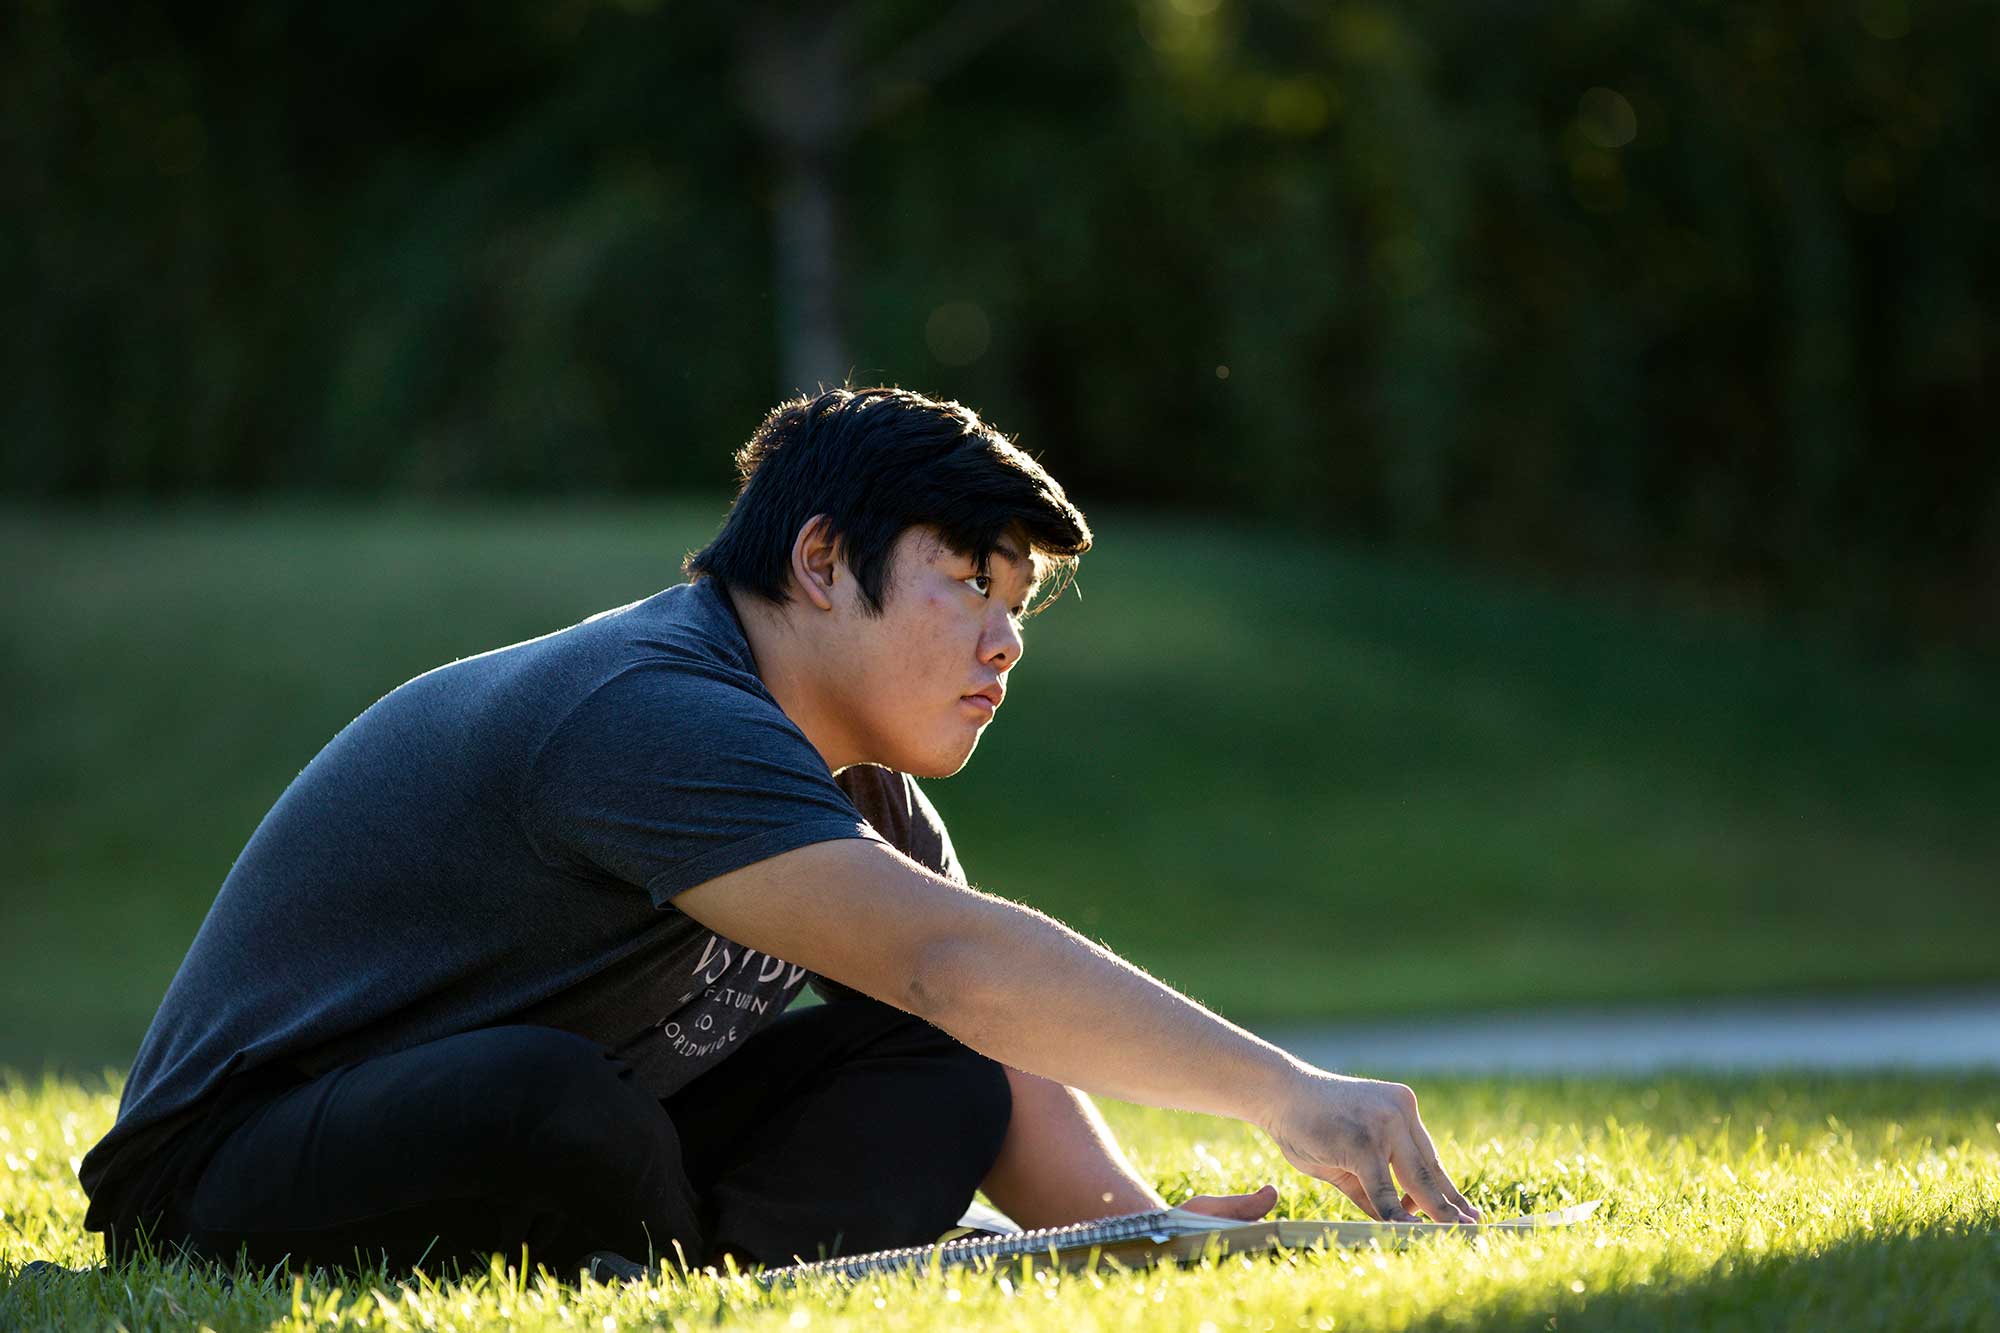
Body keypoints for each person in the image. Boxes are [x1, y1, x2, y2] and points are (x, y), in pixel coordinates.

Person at [78, 386, 1478, 1281]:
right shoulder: (652, 705)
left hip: (589, 1148)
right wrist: (1285, 1087)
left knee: (943, 1067)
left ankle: (713, 1273)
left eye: (1022, 607)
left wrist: (1141, 1232)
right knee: (546, 1095)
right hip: (234, 1162)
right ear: (818, 561)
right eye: (969, 584)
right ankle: (715, 1283)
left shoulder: (852, 777)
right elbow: (948, 955)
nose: (1004, 642)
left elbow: (979, 1025)